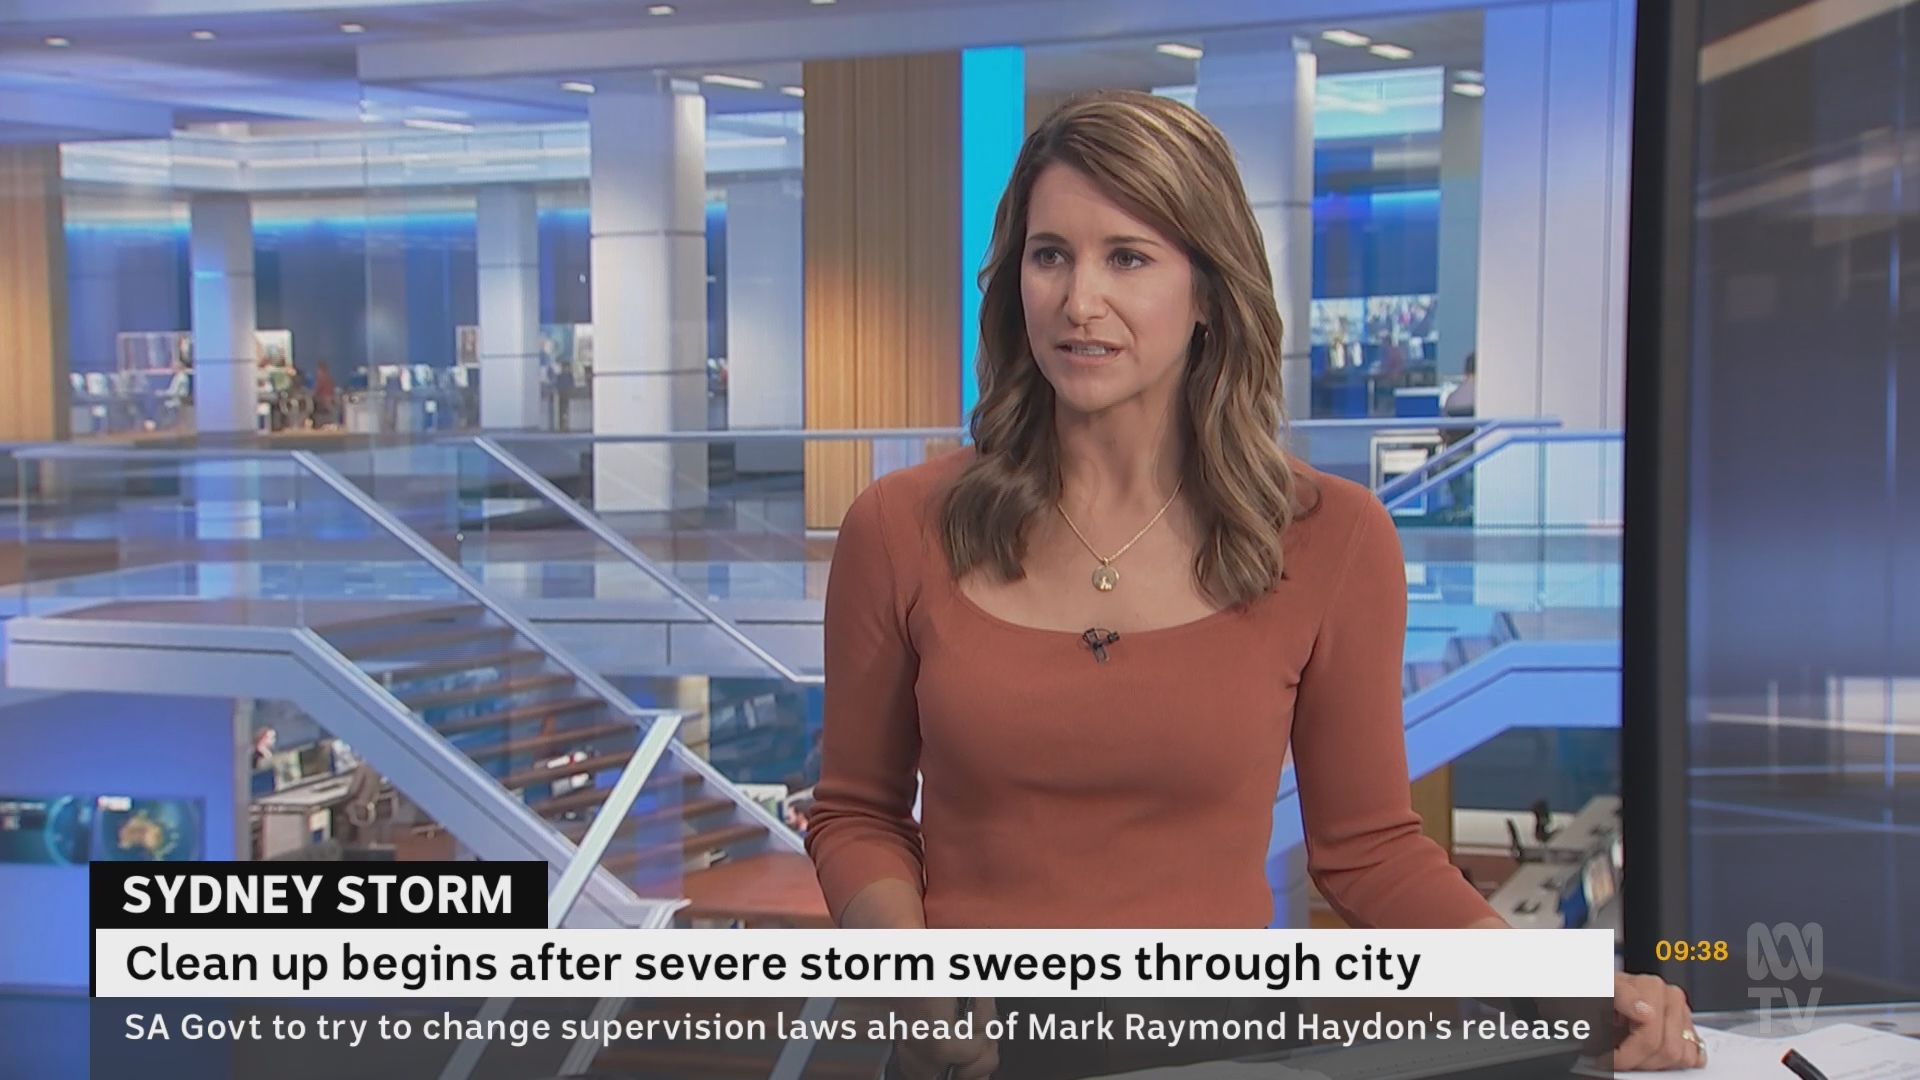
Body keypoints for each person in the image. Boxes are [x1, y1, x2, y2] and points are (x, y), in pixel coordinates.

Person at [805, 91, 1703, 1079]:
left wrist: (1564, 989)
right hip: (969, 1052)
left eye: (1128, 258)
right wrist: (909, 968)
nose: (1078, 300)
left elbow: (1369, 851)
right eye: (1050, 254)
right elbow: (857, 813)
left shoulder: (1332, 540)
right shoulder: (899, 526)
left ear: (1207, 291)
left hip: (1219, 1051)